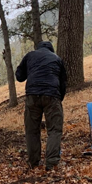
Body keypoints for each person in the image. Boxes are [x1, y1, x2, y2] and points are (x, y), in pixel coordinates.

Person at [15, 41, 67, 172]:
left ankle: (33, 162)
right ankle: (52, 163)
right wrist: (58, 98)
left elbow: (20, 77)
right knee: (54, 130)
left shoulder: (30, 56)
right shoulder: (56, 59)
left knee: (32, 130)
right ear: (51, 49)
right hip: (52, 96)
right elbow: (63, 82)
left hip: (32, 95)